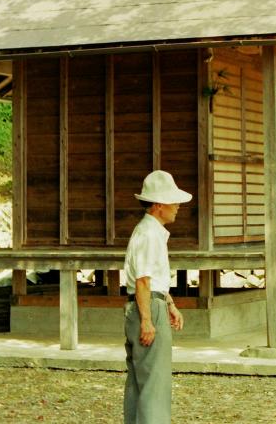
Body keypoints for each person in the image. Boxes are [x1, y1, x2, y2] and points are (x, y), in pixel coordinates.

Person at [123, 170, 191, 424]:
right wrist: (147, 320)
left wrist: (170, 303)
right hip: (148, 305)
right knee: (155, 383)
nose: (177, 207)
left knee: (141, 382)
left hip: (151, 301)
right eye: (173, 202)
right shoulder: (149, 234)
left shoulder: (149, 232)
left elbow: (151, 279)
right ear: (159, 205)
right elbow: (143, 280)